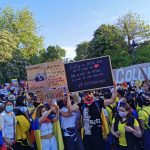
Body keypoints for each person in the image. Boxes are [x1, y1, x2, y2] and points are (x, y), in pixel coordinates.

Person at [67, 86, 117, 150]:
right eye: (86, 94)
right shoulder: (81, 105)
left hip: (98, 136)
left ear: (92, 94)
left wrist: (115, 88)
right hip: (87, 137)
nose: (88, 95)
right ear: (84, 96)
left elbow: (112, 99)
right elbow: (70, 108)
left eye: (89, 93)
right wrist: (68, 96)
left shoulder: (99, 102)